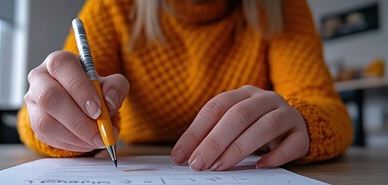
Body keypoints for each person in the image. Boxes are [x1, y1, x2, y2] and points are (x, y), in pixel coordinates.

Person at [18, 0, 353, 171]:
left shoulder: (281, 7)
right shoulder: (113, 7)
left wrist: (302, 121)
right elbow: (45, 106)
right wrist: (54, 119)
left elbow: (326, 107)